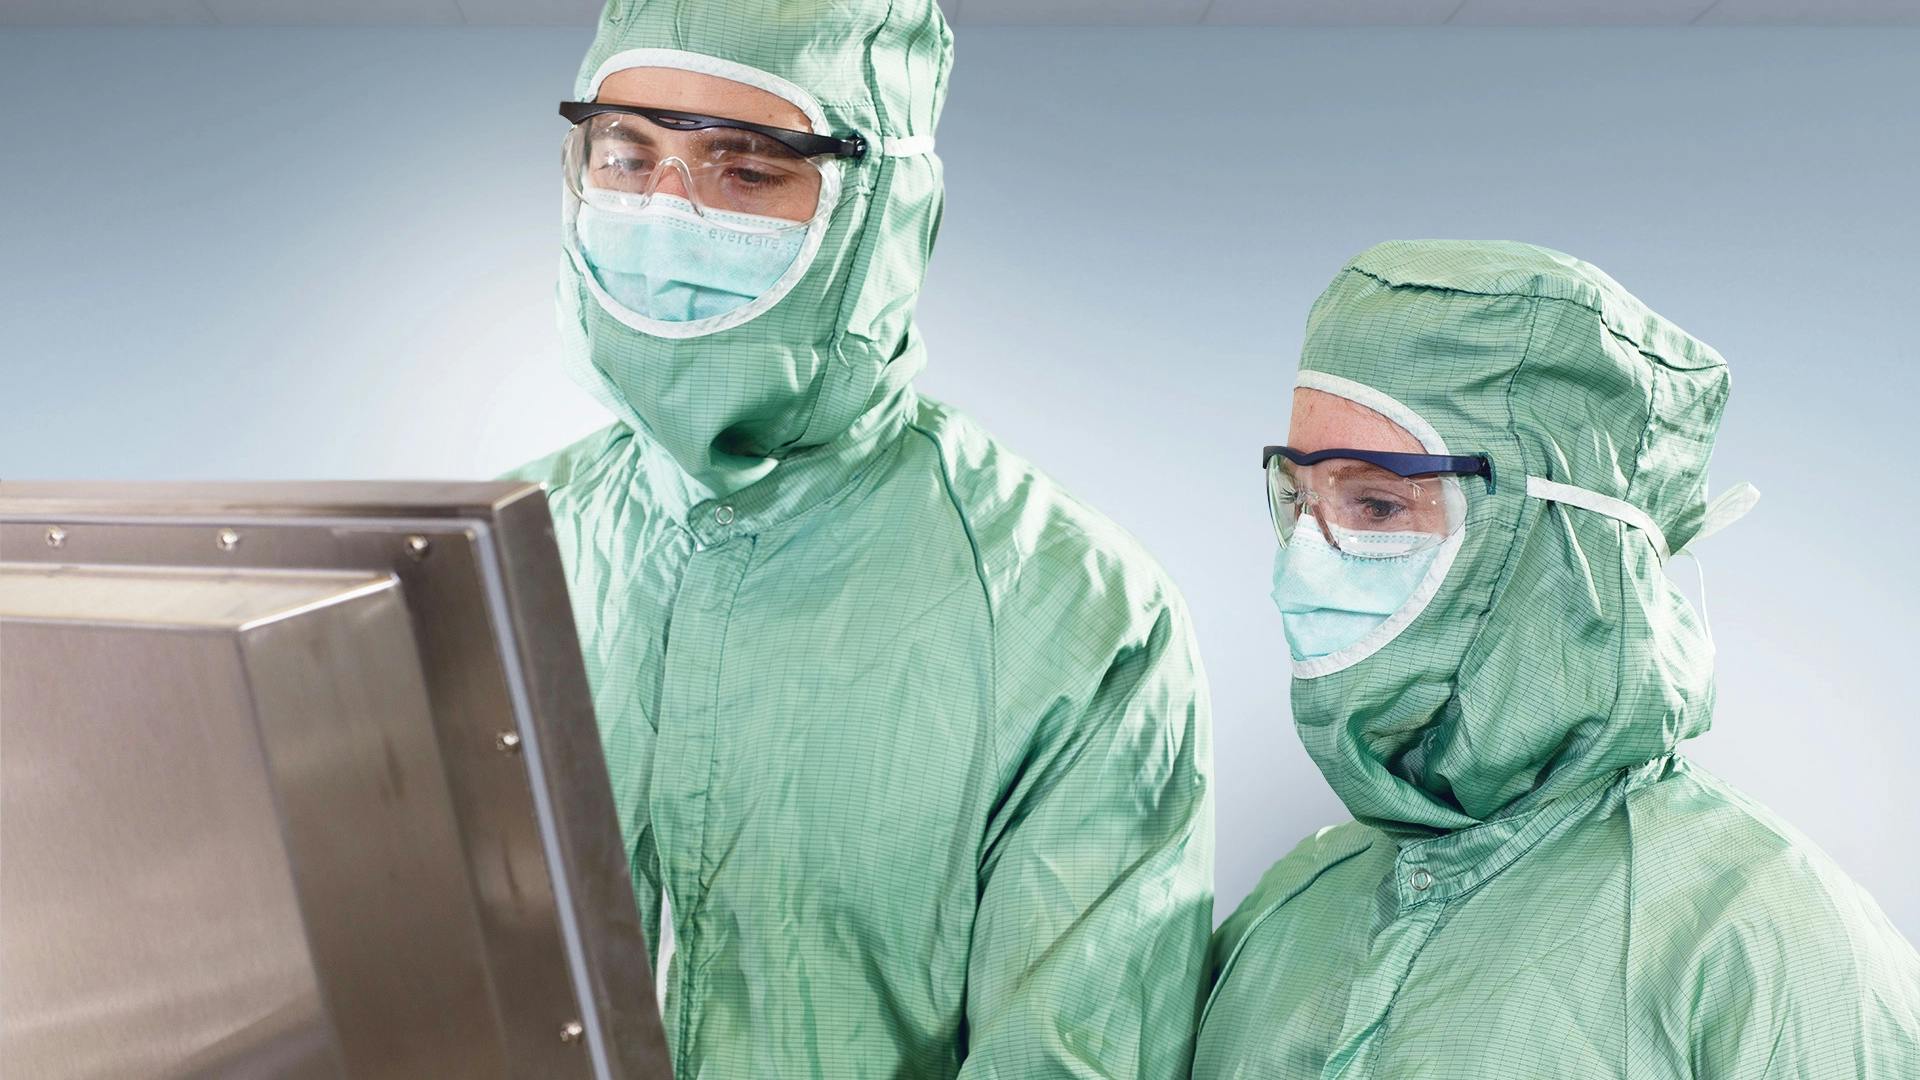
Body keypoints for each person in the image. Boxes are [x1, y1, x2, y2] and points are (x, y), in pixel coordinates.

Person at [508, 2, 1213, 1076]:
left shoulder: (1074, 618)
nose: (665, 210)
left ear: (879, 209)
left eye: (744, 172)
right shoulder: (499, 552)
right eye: (628, 153)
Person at [1192, 240, 1920, 1078]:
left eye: (1379, 503)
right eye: (1298, 497)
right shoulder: (1297, 904)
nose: (1304, 564)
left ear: (1560, 535)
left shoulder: (1756, 939)